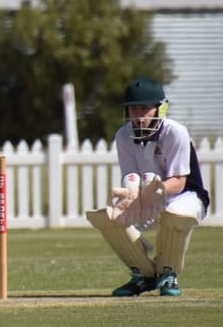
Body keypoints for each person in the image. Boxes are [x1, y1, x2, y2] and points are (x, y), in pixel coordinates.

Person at [86, 77, 210, 297]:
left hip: (186, 195)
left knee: (176, 215)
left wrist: (156, 190)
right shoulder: (123, 136)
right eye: (133, 109)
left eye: (145, 109)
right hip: (146, 195)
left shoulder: (175, 132)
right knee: (106, 216)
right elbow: (131, 176)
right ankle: (144, 276)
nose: (139, 116)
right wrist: (131, 196)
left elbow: (179, 181)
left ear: (160, 109)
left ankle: (168, 274)